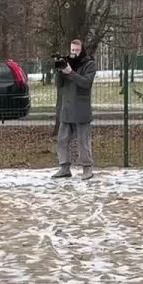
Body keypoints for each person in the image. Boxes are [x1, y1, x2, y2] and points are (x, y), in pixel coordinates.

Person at [53, 39, 97, 180]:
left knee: (83, 141)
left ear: (81, 49)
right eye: (72, 50)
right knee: (62, 139)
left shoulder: (89, 64)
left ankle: (87, 168)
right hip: (67, 108)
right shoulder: (67, 62)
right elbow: (58, 84)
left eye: (77, 50)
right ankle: (64, 167)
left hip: (81, 109)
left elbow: (86, 83)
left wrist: (70, 72)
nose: (74, 53)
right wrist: (60, 70)